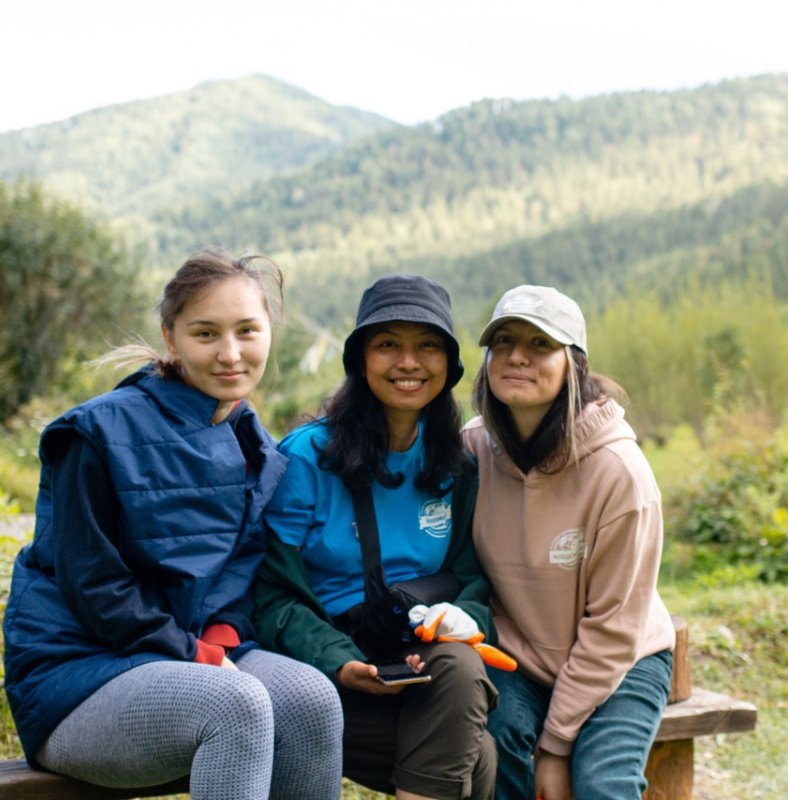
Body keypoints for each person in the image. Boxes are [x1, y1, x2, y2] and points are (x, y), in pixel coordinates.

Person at [2, 248, 343, 799]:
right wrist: (199, 657)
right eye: (206, 333)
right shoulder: (95, 433)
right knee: (237, 704)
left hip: (185, 656)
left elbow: (238, 573)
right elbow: (93, 587)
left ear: (268, 334)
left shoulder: (256, 444)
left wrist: (219, 640)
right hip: (79, 678)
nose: (230, 353)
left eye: (247, 331)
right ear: (171, 337)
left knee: (311, 698)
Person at [252, 274, 499, 800]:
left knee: (460, 664)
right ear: (360, 360)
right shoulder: (307, 458)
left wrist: (464, 619)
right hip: (324, 671)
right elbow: (271, 594)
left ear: (449, 366)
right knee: (478, 761)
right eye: (388, 344)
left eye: (427, 346)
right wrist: (339, 660)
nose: (408, 363)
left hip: (414, 658)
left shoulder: (456, 466)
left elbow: (473, 582)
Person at [463, 285, 676, 800]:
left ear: (573, 364)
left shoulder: (619, 473)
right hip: (522, 657)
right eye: (505, 341)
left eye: (541, 345)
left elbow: (614, 629)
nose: (517, 355)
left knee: (603, 785)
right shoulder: (472, 448)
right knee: (494, 751)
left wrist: (556, 748)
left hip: (622, 661)